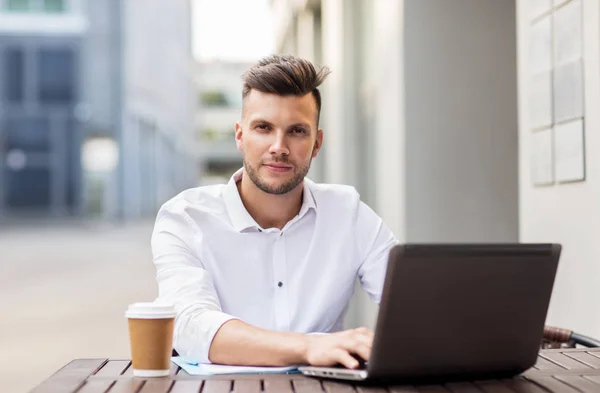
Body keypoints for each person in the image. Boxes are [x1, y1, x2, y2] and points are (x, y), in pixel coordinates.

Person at [151, 54, 398, 369]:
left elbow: (414, 306)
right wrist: (309, 346)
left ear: (317, 143)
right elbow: (189, 327)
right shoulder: (185, 218)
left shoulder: (348, 213)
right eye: (264, 127)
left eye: (296, 131)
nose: (279, 146)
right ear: (240, 135)